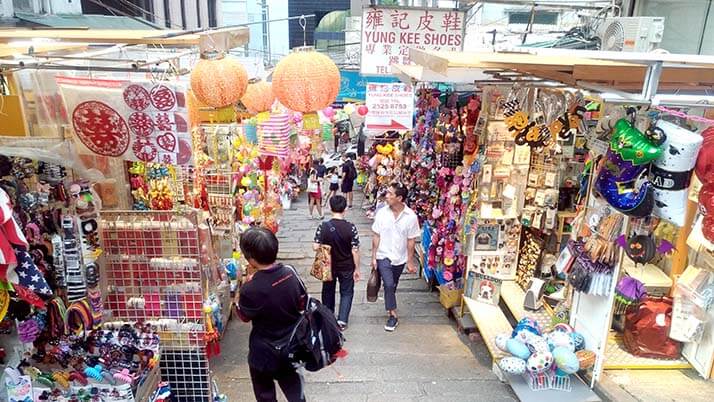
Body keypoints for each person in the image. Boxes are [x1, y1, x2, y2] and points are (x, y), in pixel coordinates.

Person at [236, 227, 307, 402]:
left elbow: (244, 316)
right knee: (295, 392)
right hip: (291, 346)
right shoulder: (290, 273)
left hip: (263, 352)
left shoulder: (250, 289)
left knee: (265, 395)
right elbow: (302, 303)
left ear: (250, 259)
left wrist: (239, 293)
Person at [371, 183, 421, 332]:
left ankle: (389, 301)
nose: (387, 196)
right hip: (383, 254)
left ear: (399, 198)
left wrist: (410, 262)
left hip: (399, 257)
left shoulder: (411, 217)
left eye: (390, 194)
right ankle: (393, 315)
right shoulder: (381, 213)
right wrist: (374, 257)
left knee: (392, 284)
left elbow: (411, 240)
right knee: (388, 283)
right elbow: (376, 235)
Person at [313, 195, 360, 330]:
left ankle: (328, 317)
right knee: (347, 292)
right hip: (347, 266)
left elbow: (315, 246)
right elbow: (355, 250)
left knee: (328, 291)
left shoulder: (324, 226)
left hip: (329, 266)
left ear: (329, 208)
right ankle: (342, 320)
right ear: (345, 209)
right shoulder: (351, 227)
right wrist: (357, 268)